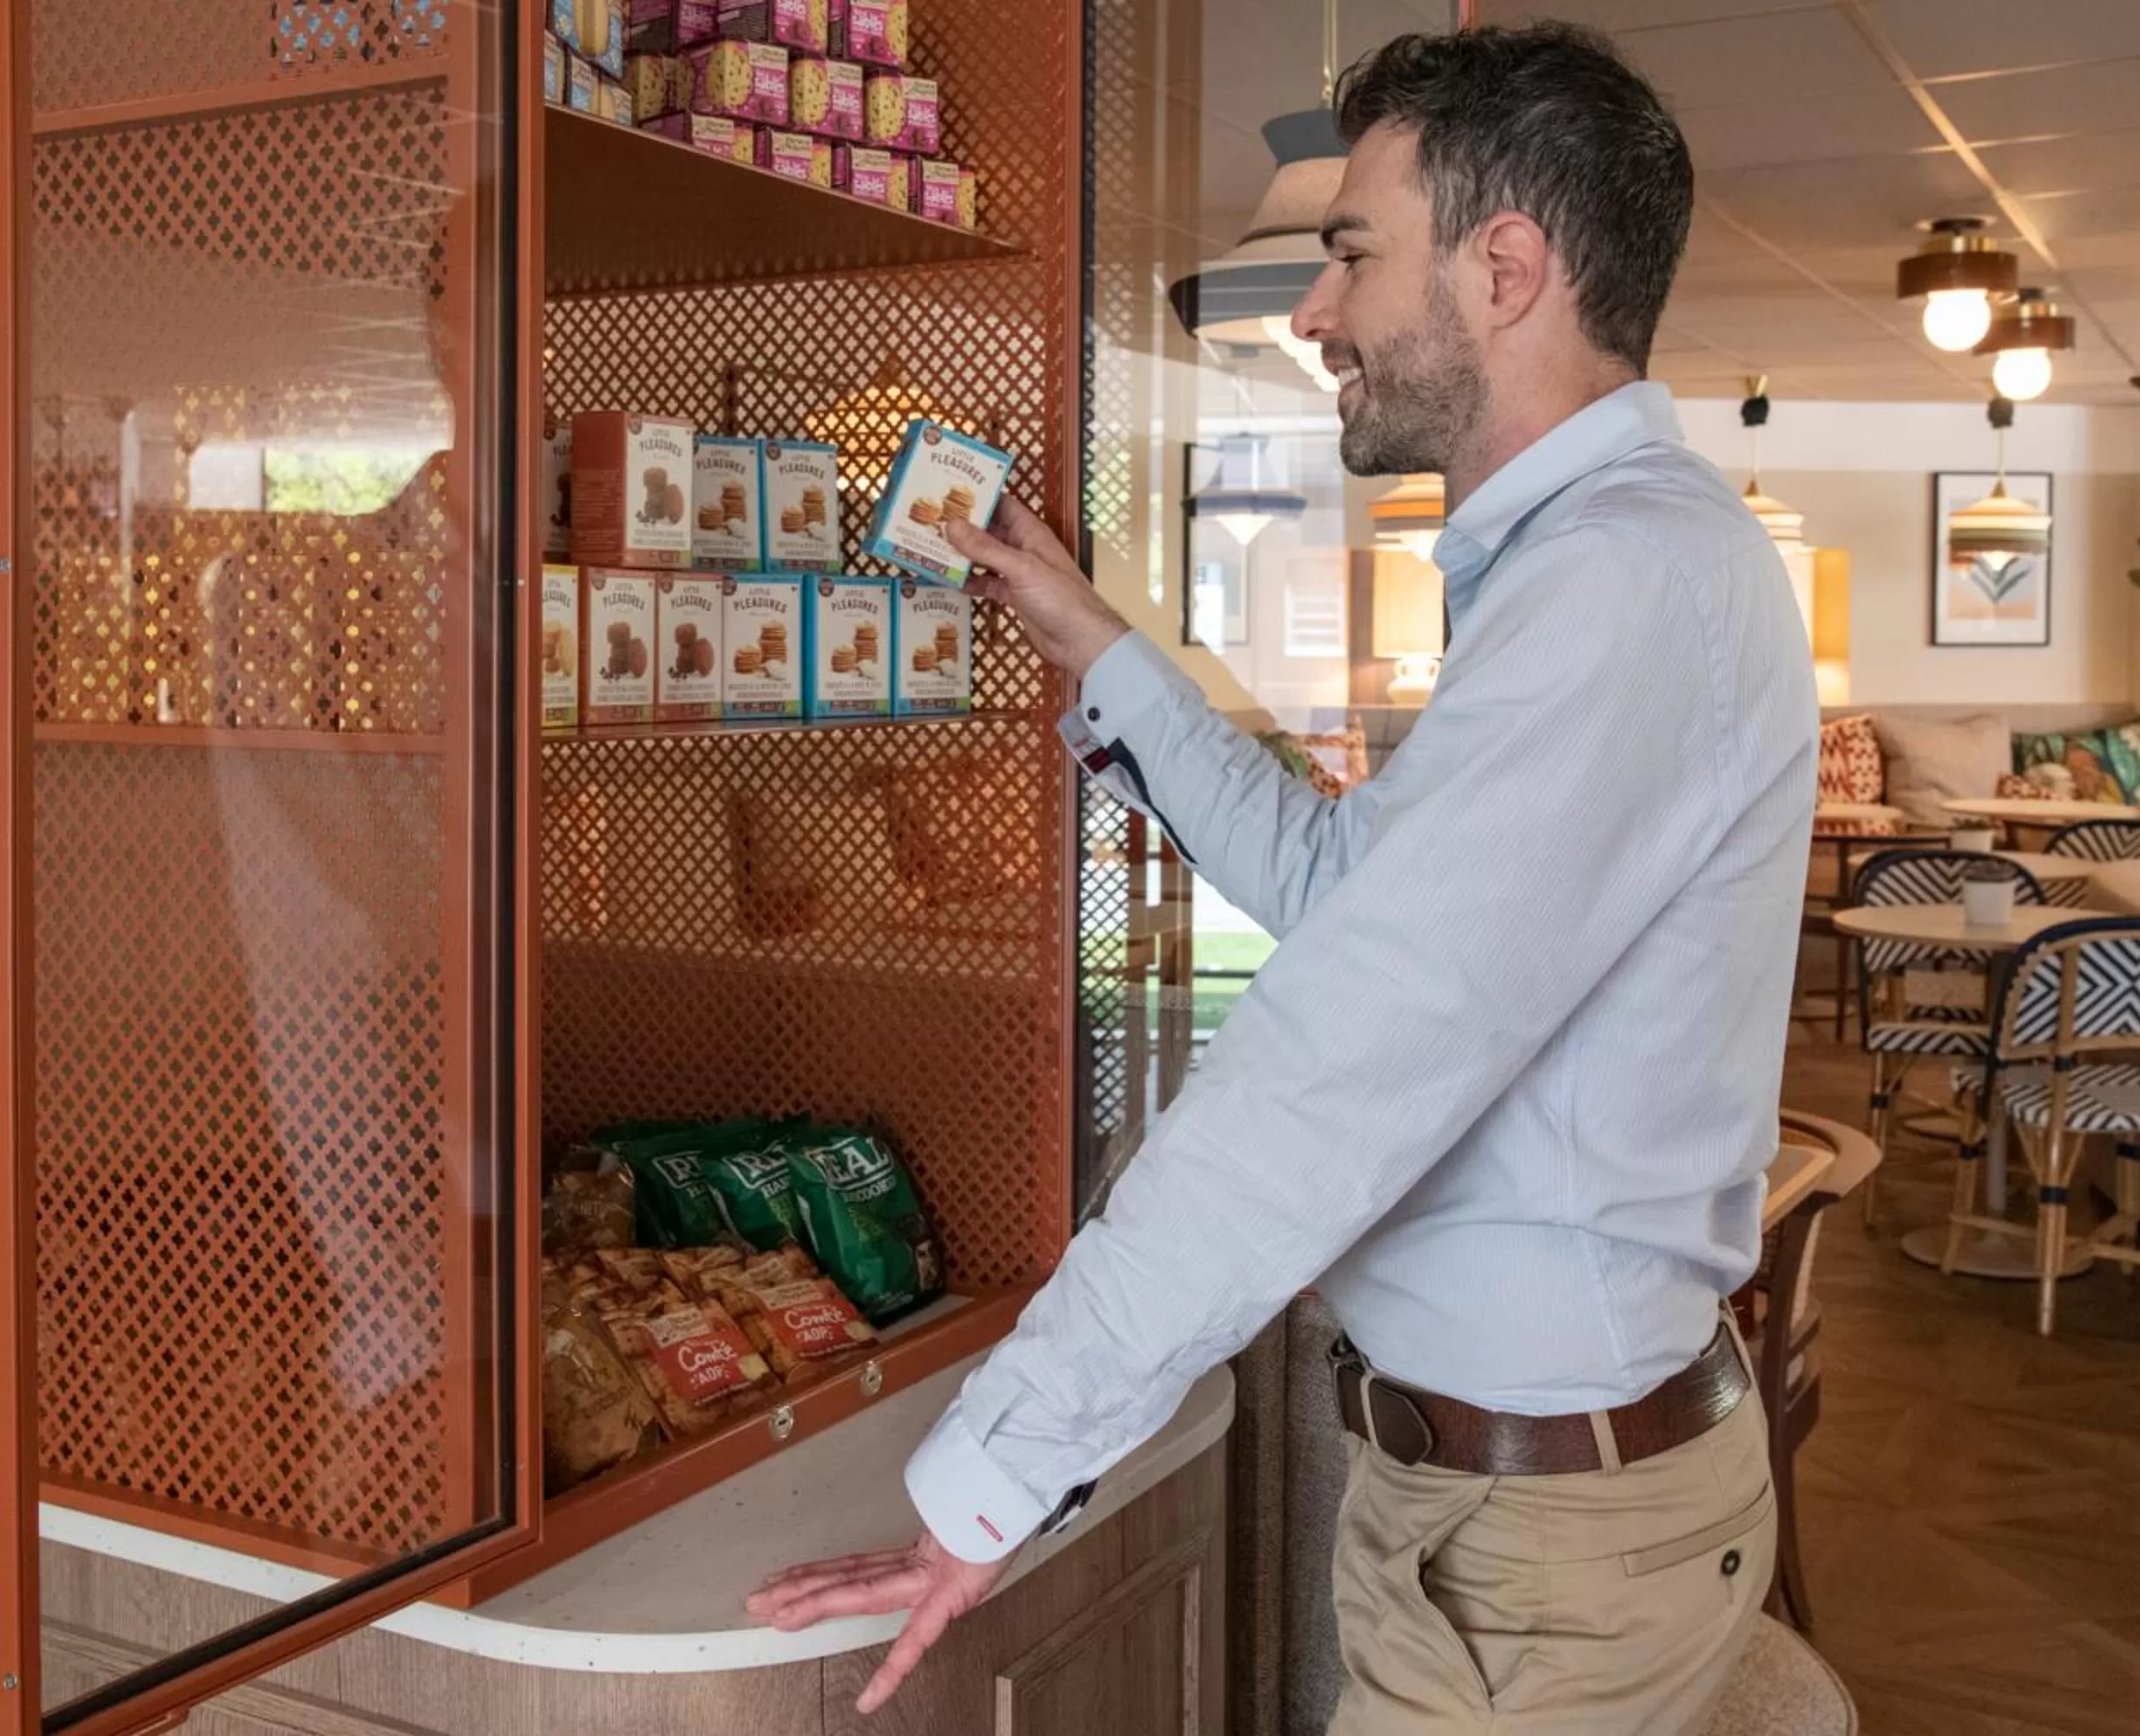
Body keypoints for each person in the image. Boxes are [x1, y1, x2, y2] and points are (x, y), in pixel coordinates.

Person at [749, 23, 1816, 1732]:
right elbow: (1346, 889)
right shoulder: (1597, 571)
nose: (1315, 313)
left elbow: (1334, 1062)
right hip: (1512, 1520)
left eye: (1350, 253)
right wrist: (1093, 635)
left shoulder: (1619, 587)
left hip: (1539, 1560)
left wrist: (995, 1474)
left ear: (1507, 265)